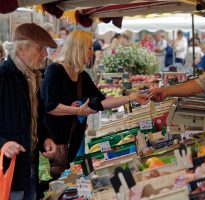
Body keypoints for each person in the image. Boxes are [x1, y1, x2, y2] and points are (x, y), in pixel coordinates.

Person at [41, 30, 149, 179]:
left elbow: (101, 101)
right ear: (78, 48)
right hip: (52, 146)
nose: (93, 52)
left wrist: (130, 97)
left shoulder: (82, 76)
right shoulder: (55, 71)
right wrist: (78, 111)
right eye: (89, 48)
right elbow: (49, 106)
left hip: (71, 144)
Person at [0, 23, 57, 200]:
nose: (45, 54)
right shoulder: (3, 75)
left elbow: (35, 118)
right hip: (8, 171)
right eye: (40, 49)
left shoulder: (33, 76)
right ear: (20, 49)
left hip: (29, 165)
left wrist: (45, 137)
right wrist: (2, 143)